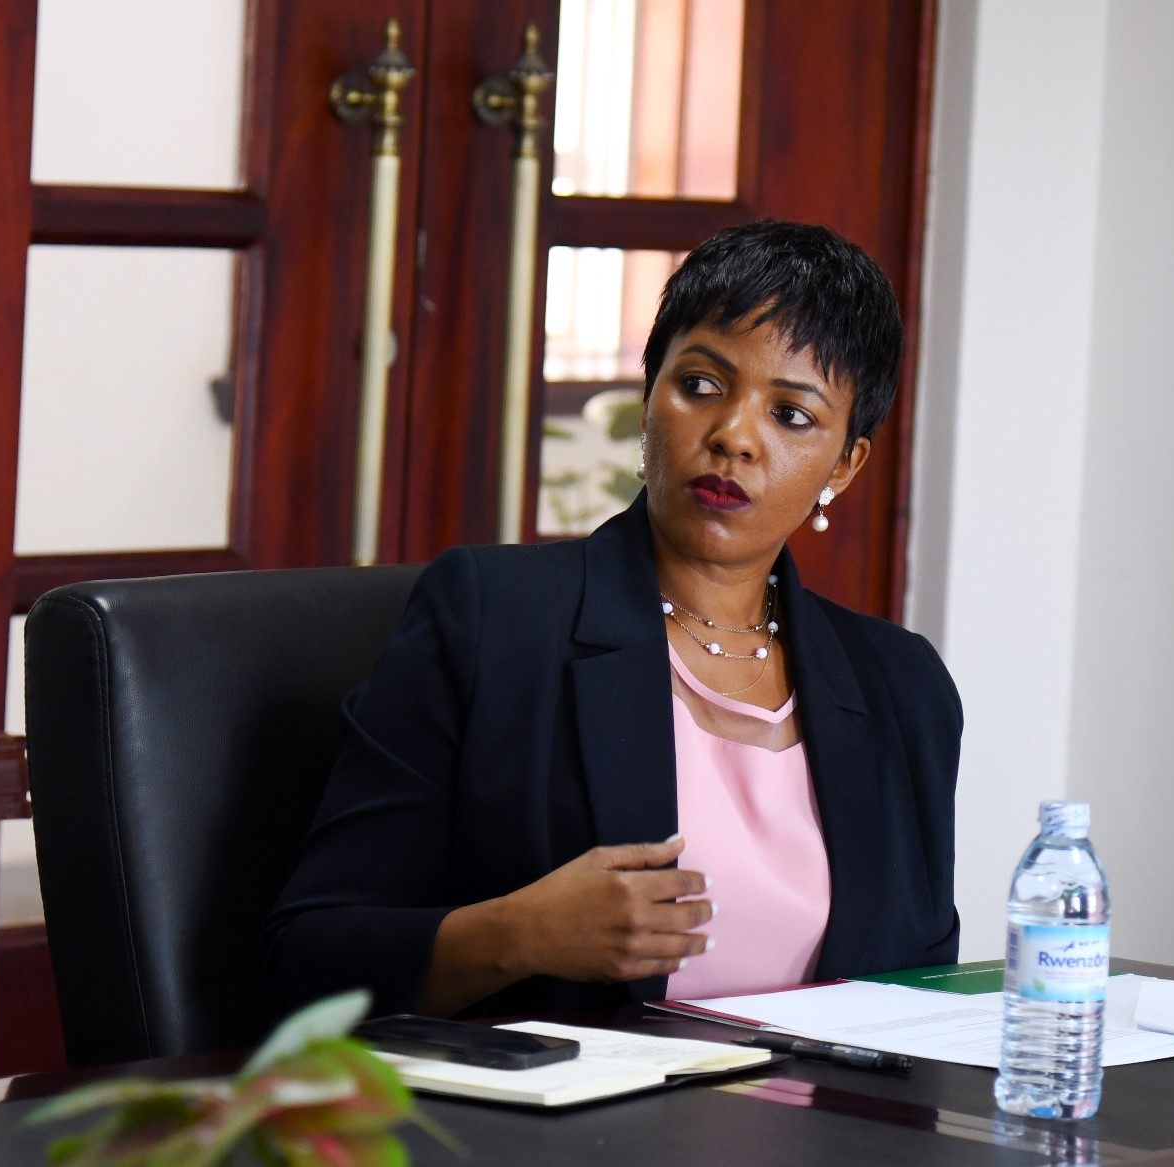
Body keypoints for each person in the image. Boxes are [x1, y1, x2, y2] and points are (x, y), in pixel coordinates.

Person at [262, 221, 962, 1020]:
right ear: (649, 393)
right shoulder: (494, 620)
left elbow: (921, 1004)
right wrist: (517, 932)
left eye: (792, 415)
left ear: (845, 464)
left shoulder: (904, 688)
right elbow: (306, 961)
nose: (734, 436)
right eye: (700, 384)